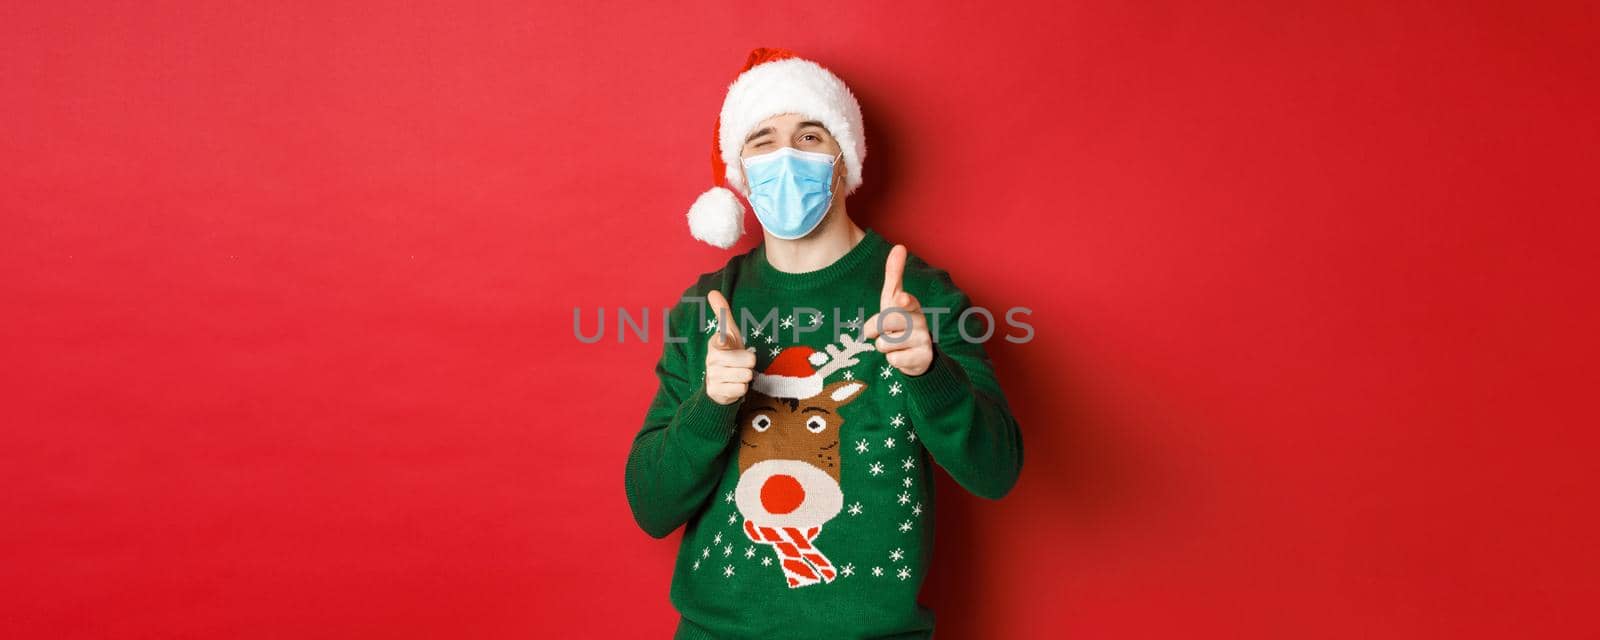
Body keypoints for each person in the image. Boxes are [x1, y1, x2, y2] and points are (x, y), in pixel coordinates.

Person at [623, 47, 1024, 639]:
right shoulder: (708, 306)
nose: (786, 157)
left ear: (844, 159)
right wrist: (710, 406)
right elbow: (651, 507)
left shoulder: (920, 295)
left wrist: (928, 373)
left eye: (810, 136)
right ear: (739, 171)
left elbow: (997, 471)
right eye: (763, 140)